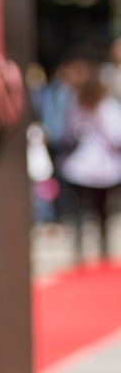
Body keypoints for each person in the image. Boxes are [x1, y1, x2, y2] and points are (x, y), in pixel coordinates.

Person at [58, 56, 121, 262]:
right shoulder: (107, 106)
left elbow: (68, 134)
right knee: (102, 213)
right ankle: (102, 252)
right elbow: (116, 135)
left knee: (80, 212)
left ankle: (79, 253)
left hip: (82, 166)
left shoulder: (77, 105)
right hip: (104, 167)